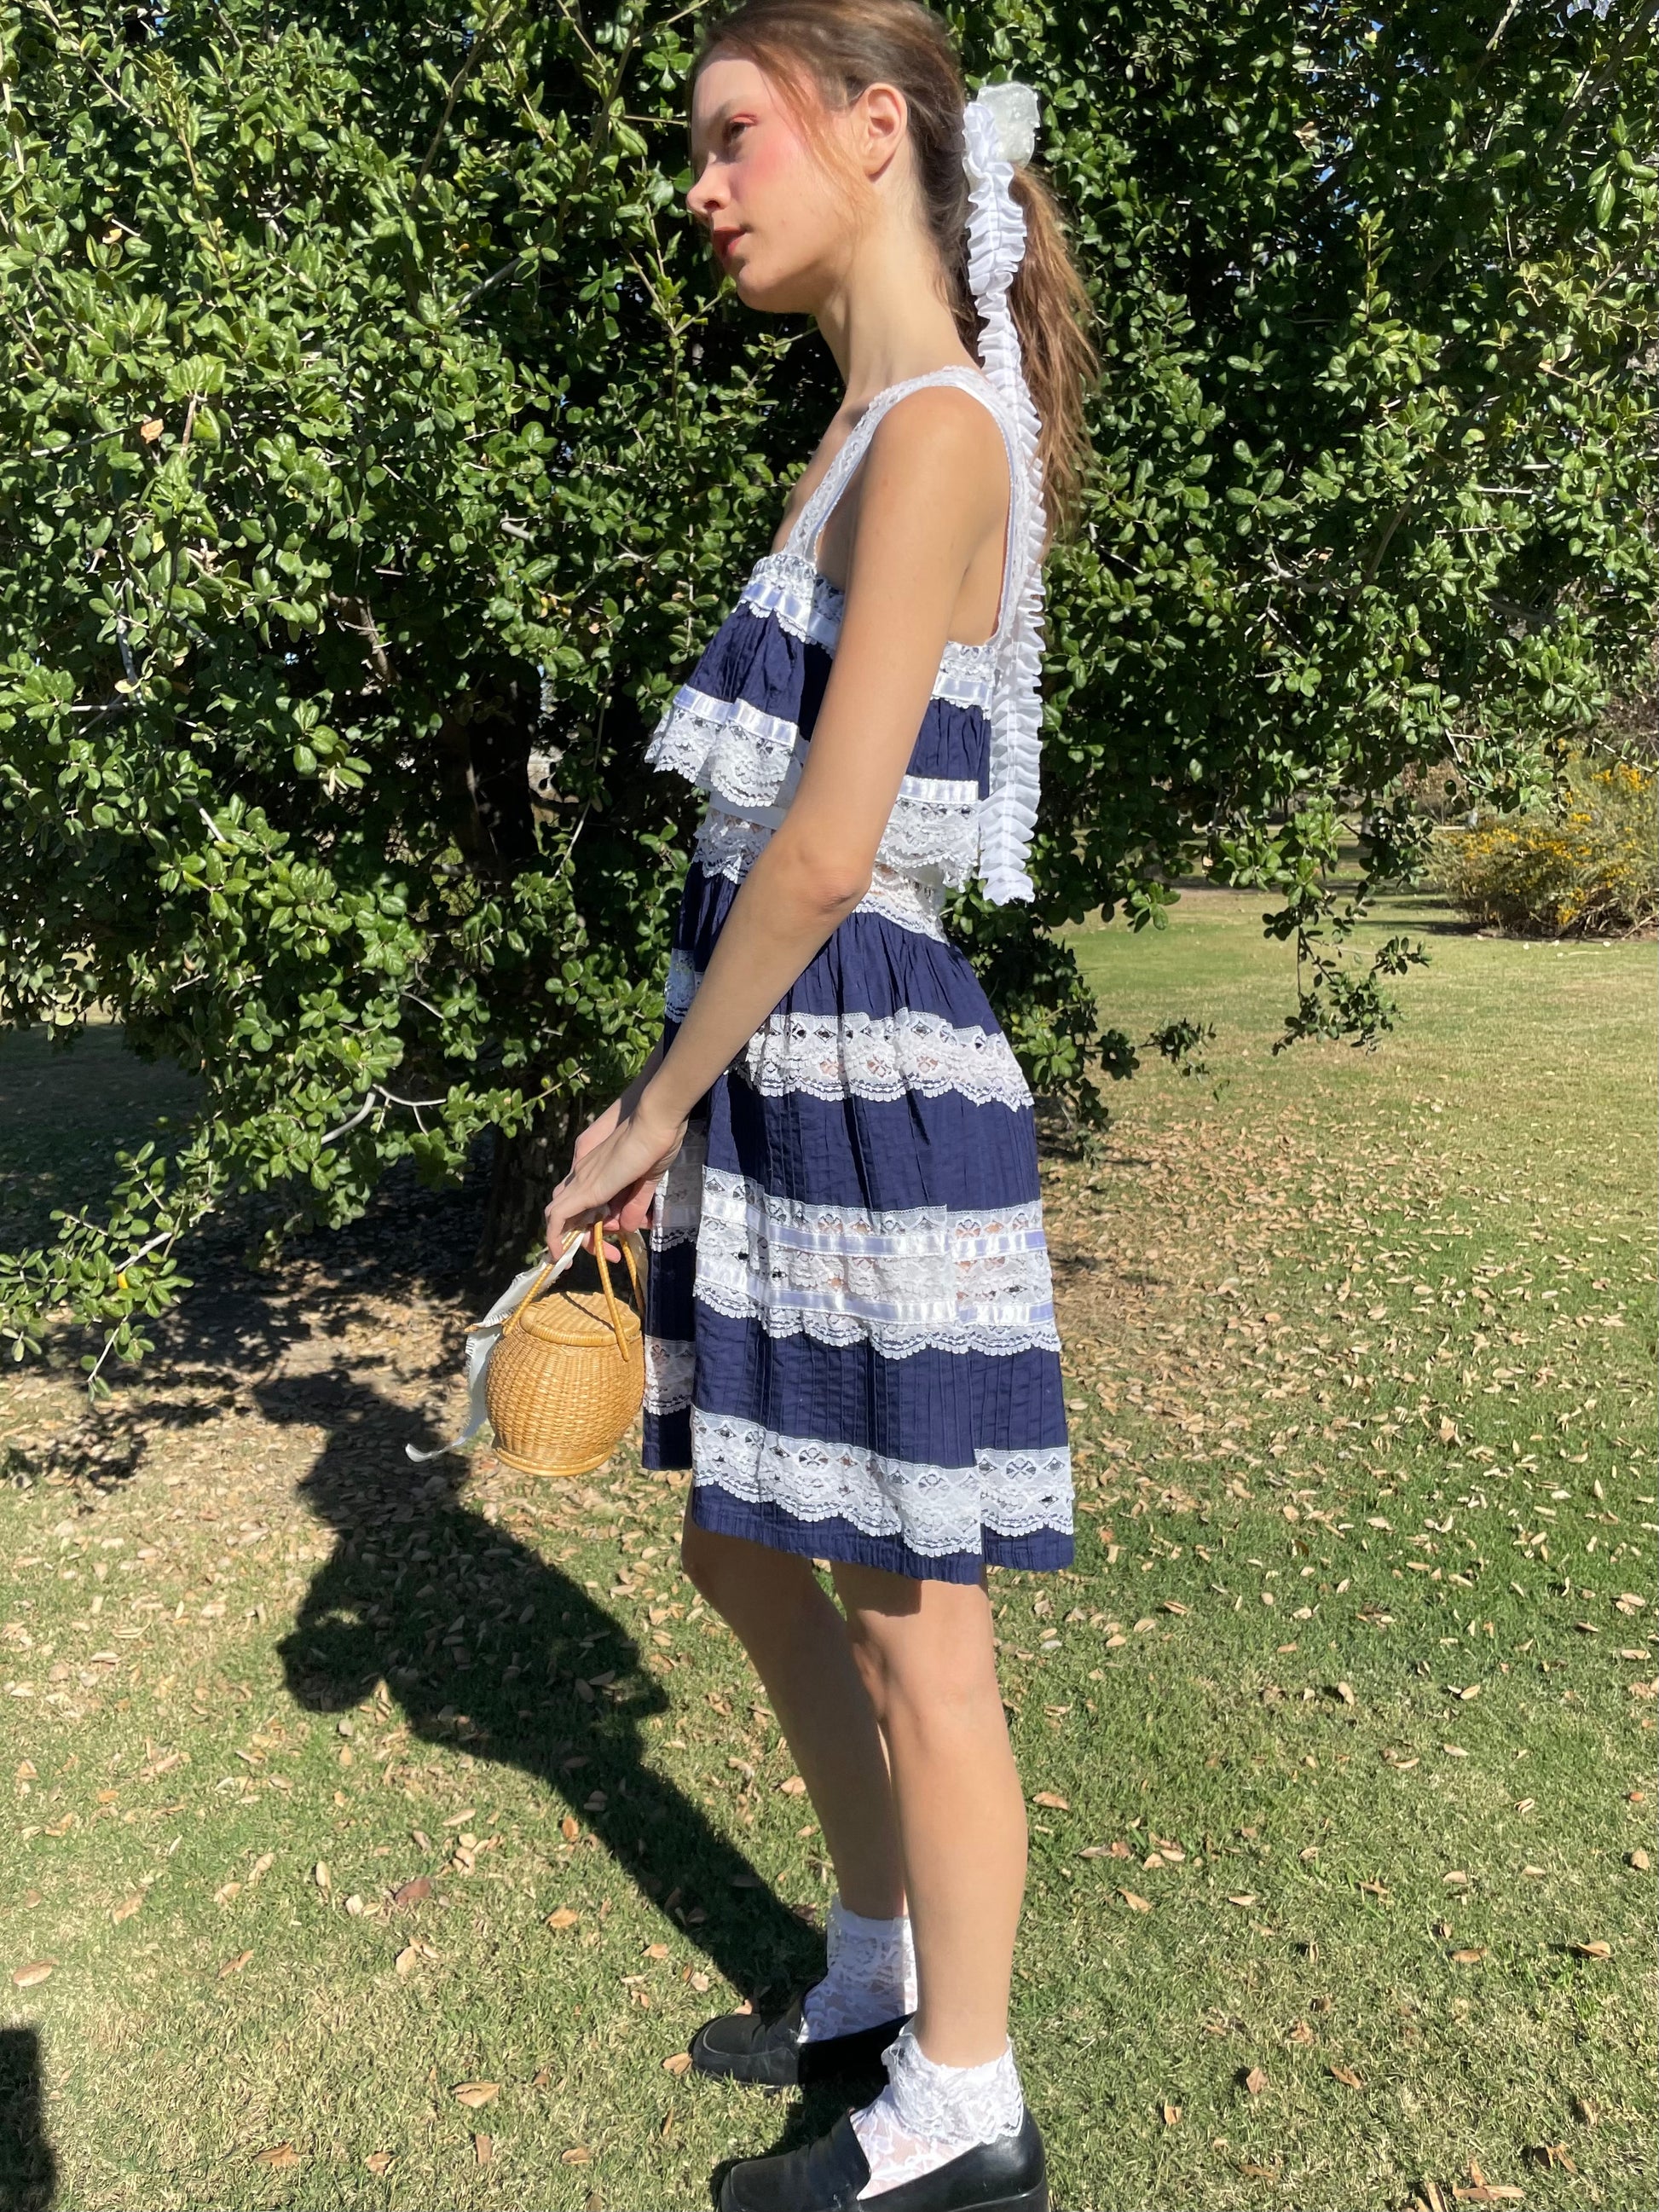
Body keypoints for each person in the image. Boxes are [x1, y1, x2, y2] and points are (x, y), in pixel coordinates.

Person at [541, 3, 1096, 2204]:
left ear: (875, 134)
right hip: (781, 1063)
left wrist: (647, 1104)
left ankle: (969, 2102)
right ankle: (874, 1960)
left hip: (862, 1073)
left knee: (908, 1609)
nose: (704, 182)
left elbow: (829, 845)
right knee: (737, 1530)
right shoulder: (857, 432)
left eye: (730, 133)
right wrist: (684, 1080)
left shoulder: (938, 433)